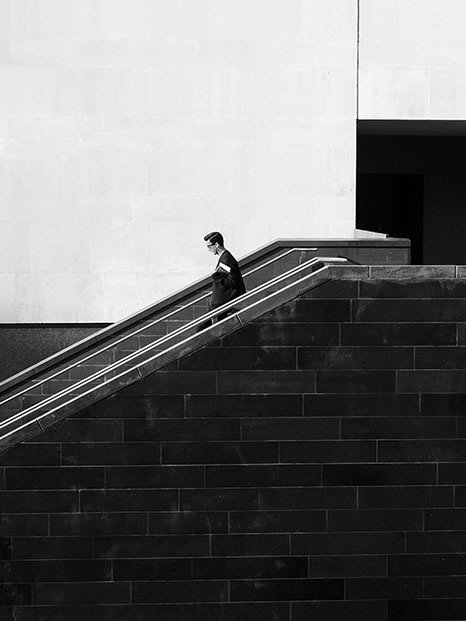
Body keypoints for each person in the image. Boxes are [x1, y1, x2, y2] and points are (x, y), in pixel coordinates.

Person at [204, 231, 246, 322]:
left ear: (216, 244)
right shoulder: (224, 257)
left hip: (223, 304)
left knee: (201, 327)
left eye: (209, 246)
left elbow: (233, 282)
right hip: (220, 303)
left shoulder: (227, 259)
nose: (208, 249)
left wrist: (216, 276)